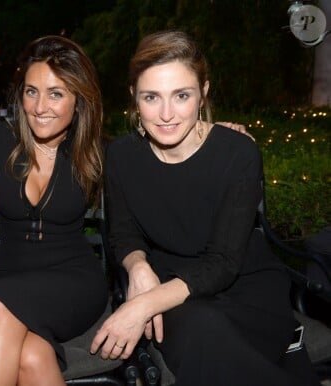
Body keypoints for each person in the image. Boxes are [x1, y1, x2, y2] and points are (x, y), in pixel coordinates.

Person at [90, 30, 318, 386]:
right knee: (202, 328)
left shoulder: (237, 153)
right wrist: (137, 267)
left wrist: (142, 305)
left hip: (247, 288)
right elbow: (123, 232)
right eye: (152, 97)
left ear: (203, 94)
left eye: (181, 95)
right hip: (174, 289)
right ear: (134, 97)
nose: (166, 114)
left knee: (208, 336)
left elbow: (224, 263)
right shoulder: (120, 155)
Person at [0, 35, 110, 385]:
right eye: (31, 91)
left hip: (74, 286)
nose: (40, 106)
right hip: (11, 280)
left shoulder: (98, 152)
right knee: (30, 356)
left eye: (56, 93)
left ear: (79, 99)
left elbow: (166, 164)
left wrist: (212, 134)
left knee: (1, 299)